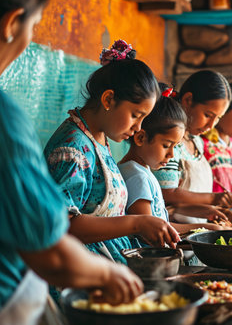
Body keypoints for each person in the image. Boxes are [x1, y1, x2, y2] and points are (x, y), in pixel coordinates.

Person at [0, 0, 143, 325]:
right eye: (35, 26)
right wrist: (111, 274)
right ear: (10, 23)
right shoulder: (9, 122)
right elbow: (52, 245)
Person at [44, 40, 180, 264]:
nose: (138, 127)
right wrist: (136, 223)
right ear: (108, 99)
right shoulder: (71, 149)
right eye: (136, 115)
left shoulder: (98, 139)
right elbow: (61, 224)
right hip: (79, 272)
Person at [119, 84, 232, 234]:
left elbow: (164, 213)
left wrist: (206, 212)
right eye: (167, 145)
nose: (171, 155)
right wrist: (205, 229)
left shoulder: (140, 170)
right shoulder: (137, 178)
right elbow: (152, 232)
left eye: (176, 146)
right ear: (141, 138)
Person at [153, 70, 232, 225]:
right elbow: (168, 193)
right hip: (170, 228)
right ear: (188, 100)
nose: (211, 125)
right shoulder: (171, 143)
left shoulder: (197, 142)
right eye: (208, 115)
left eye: (218, 118)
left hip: (196, 226)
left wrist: (219, 211)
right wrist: (214, 198)